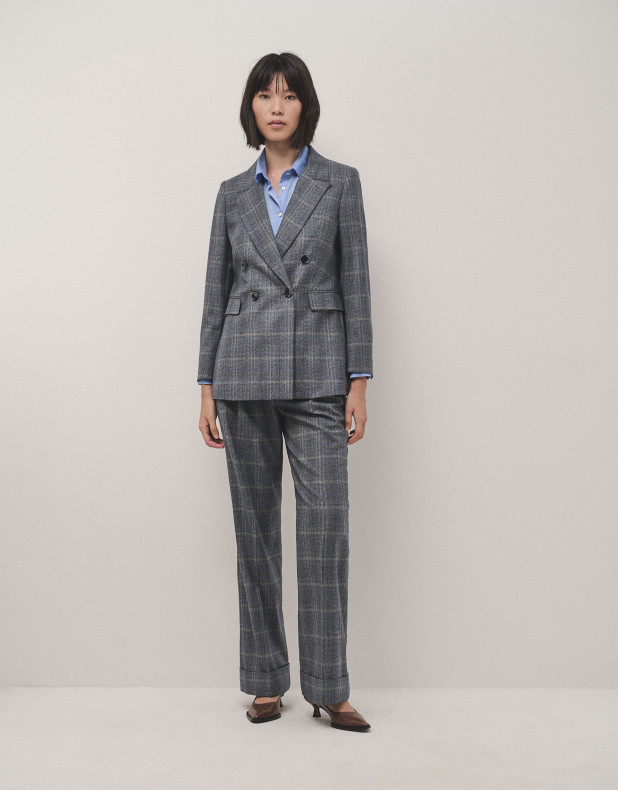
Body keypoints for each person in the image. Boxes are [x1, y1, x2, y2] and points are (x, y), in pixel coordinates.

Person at [197, 52, 373, 732]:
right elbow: (215, 291)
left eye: (289, 94)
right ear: (251, 107)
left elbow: (355, 284)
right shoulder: (230, 194)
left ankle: (329, 686)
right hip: (242, 373)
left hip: (318, 372)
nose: (276, 106)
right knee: (255, 533)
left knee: (326, 528)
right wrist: (206, 384)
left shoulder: (339, 182)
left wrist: (359, 380)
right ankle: (266, 681)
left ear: (305, 105)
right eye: (265, 95)